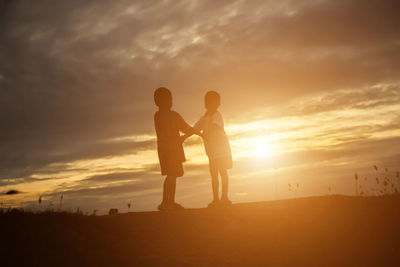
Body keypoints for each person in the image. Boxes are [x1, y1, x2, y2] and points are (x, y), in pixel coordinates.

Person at [183, 91, 233, 208]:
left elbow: (213, 126)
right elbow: (195, 128)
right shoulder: (204, 118)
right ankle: (216, 199)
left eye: (213, 101)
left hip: (222, 150)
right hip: (211, 153)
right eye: (207, 101)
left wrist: (204, 134)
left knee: (223, 172)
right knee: (214, 175)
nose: (209, 103)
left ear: (218, 104)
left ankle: (224, 197)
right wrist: (184, 137)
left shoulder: (217, 115)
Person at [153, 87, 198, 211]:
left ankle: (168, 202)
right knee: (172, 174)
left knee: (172, 175)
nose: (171, 101)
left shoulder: (157, 115)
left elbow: (184, 129)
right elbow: (186, 128)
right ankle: (167, 203)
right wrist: (197, 132)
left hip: (165, 149)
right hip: (171, 149)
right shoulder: (171, 115)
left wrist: (187, 135)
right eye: (169, 99)